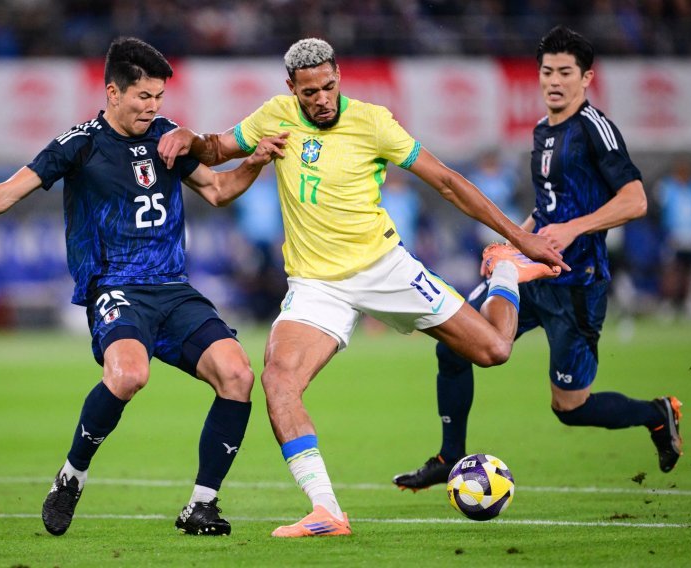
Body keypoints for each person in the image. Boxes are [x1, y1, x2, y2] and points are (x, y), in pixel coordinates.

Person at [158, 37, 568, 537]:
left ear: (339, 78)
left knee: (495, 350)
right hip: (315, 285)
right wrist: (188, 136)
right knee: (277, 381)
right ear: (292, 88)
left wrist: (517, 238)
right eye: (310, 92)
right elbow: (218, 147)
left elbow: (446, 181)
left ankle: (505, 268)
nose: (323, 99)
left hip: (384, 270)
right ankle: (327, 511)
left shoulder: (373, 121)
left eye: (330, 86)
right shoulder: (275, 114)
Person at [0, 37, 287, 537]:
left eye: (159, 97)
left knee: (237, 375)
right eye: (143, 96)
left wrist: (254, 163)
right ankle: (71, 476)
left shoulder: (167, 138)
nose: (152, 107)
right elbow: (6, 194)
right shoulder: (78, 144)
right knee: (128, 376)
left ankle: (202, 506)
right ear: (113, 92)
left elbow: (217, 190)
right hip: (117, 288)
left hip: (172, 288)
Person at [392, 26, 684, 493]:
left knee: (571, 407)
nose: (554, 80)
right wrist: (515, 240)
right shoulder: (543, 131)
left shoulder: (596, 129)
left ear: (587, 78)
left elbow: (635, 201)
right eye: (547, 71)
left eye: (565, 72)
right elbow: (548, 206)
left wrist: (572, 228)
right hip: (531, 274)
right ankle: (450, 457)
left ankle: (656, 413)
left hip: (577, 285)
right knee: (453, 344)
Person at [655, 157, 691, 317]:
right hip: (673, 235)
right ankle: (668, 302)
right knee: (671, 271)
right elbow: (656, 208)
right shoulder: (668, 187)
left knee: (689, 272)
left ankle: (688, 302)